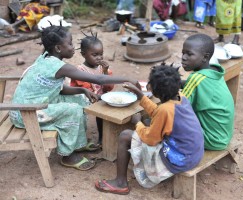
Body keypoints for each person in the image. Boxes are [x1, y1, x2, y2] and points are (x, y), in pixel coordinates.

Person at [9, 24, 141, 171]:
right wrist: (129, 79)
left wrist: (81, 90)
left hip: (36, 103)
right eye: (70, 44)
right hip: (27, 113)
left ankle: (78, 143)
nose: (73, 47)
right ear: (58, 48)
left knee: (81, 99)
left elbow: (54, 88)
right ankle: (68, 156)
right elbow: (99, 80)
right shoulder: (60, 67)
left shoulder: (46, 57)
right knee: (72, 110)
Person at [94, 65, 204, 195]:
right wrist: (141, 96)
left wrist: (138, 124)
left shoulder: (165, 110)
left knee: (125, 135)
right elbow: (160, 113)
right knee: (149, 123)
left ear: (156, 92)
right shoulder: (181, 96)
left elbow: (151, 139)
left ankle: (120, 183)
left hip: (180, 159)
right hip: (194, 153)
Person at [181, 33, 235, 150]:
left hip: (210, 139)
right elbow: (196, 87)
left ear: (205, 57)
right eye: (183, 53)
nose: (184, 57)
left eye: (189, 54)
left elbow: (178, 108)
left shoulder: (195, 78)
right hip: (223, 136)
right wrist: (178, 82)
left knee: (168, 120)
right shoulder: (214, 72)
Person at [70, 33, 114, 146]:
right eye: (95, 55)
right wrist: (102, 97)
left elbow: (109, 87)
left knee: (105, 110)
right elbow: (87, 91)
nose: (99, 58)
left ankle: (103, 137)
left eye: (101, 54)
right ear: (84, 54)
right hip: (84, 98)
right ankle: (84, 140)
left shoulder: (102, 68)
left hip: (99, 98)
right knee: (103, 107)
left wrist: (105, 72)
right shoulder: (80, 71)